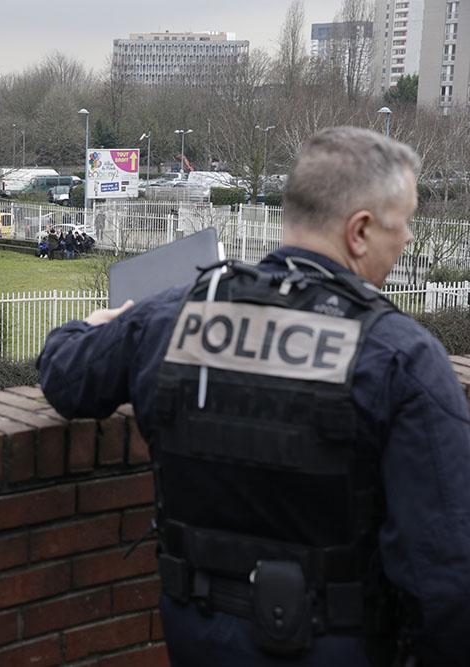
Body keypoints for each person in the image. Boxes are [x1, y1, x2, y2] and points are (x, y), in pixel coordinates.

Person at [37, 127, 470, 666]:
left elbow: (65, 376)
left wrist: (91, 327)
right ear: (359, 231)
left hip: (195, 634)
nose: (406, 238)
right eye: (402, 223)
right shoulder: (402, 357)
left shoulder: (170, 319)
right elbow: (446, 573)